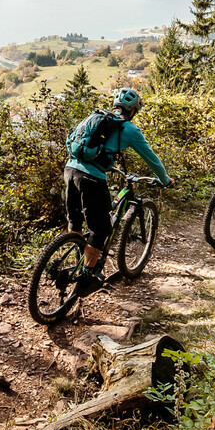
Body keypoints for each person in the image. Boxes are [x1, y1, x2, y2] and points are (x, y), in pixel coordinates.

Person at [65, 87, 173, 295]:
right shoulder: (129, 129)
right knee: (100, 230)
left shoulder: (95, 117)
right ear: (132, 111)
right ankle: (86, 275)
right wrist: (165, 180)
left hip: (70, 170)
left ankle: (77, 258)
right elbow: (151, 159)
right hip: (91, 178)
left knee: (75, 221)